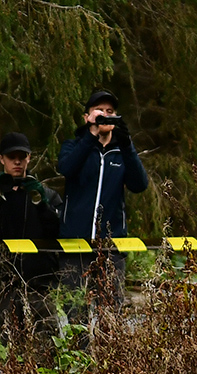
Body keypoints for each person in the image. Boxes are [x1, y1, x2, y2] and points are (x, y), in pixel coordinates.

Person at [57, 89, 149, 306]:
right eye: (99, 110)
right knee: (75, 309)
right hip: (75, 244)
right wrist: (91, 134)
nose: (105, 115)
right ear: (86, 117)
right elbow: (66, 168)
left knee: (111, 311)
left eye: (110, 111)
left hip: (111, 245)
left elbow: (139, 185)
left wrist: (127, 146)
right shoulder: (73, 146)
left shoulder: (122, 151)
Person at [0, 132, 61, 333]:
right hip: (3, 287)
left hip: (39, 287)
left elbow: (58, 231)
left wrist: (41, 202)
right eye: (11, 157)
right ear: (1, 159)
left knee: (47, 343)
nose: (17, 162)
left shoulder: (46, 195)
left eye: (22, 156)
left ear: (29, 158)